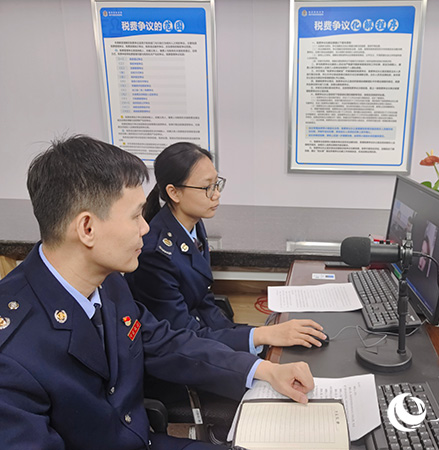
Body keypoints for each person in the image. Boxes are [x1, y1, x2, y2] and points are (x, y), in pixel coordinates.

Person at [0, 136, 314, 450]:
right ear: (87, 228)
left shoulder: (108, 281)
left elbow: (164, 343)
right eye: (135, 216)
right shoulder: (11, 352)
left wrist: (264, 370)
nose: (146, 228)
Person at [125, 142, 326, 354]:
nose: (216, 194)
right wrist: (259, 336)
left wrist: (248, 335)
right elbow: (183, 336)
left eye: (216, 184)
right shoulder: (155, 255)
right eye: (207, 187)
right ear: (174, 193)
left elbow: (202, 300)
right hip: (180, 353)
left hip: (202, 334)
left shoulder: (192, 224)